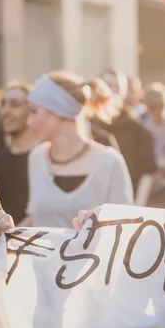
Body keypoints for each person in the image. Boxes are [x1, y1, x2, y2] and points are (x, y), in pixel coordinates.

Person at [22, 71, 133, 228]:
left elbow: (126, 225)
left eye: (34, 111)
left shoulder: (110, 162)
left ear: (57, 111)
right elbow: (35, 218)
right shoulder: (37, 157)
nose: (29, 121)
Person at [0, 83, 37, 224]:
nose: (6, 111)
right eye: (3, 104)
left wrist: (15, 235)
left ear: (31, 110)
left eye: (15, 105)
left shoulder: (45, 158)